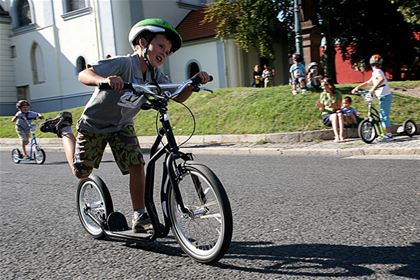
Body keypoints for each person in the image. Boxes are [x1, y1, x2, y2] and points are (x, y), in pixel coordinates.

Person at [40, 18, 211, 233]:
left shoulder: (155, 75)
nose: (163, 54)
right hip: (95, 123)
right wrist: (104, 80)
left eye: (167, 52)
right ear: (143, 42)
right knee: (81, 172)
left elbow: (177, 96)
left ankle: (140, 215)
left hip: (122, 125)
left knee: (137, 164)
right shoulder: (124, 64)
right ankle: (64, 128)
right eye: (160, 46)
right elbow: (84, 74)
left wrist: (193, 81)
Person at [351, 54, 393, 141]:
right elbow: (368, 82)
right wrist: (357, 87)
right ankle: (384, 133)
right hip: (382, 96)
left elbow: (381, 79)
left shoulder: (378, 71)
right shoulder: (375, 73)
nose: (375, 65)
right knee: (381, 115)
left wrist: (373, 89)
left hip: (385, 96)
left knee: (384, 116)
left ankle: (388, 135)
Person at [316, 78, 345, 142]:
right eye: (322, 86)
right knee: (334, 115)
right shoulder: (323, 94)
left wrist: (332, 106)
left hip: (336, 112)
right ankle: (336, 136)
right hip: (327, 115)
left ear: (329, 86)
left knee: (340, 115)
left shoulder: (337, 94)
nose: (323, 88)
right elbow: (321, 109)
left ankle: (341, 135)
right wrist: (321, 106)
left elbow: (339, 107)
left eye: (324, 86)